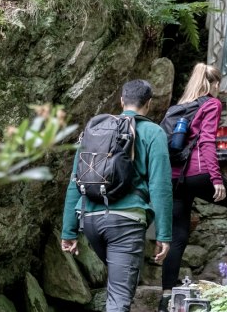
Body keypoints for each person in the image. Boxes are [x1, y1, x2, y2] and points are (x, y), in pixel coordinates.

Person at [158, 63, 227, 312]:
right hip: (199, 172)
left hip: (175, 177)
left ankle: (166, 299)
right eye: (218, 83)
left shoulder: (177, 108)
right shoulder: (211, 104)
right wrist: (216, 178)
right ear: (212, 84)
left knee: (178, 235)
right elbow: (207, 141)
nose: (219, 88)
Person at [61, 80, 173, 312]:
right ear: (149, 104)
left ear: (122, 101)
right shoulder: (153, 133)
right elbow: (160, 186)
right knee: (119, 300)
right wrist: (164, 234)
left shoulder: (96, 130)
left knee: (119, 289)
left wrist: (68, 230)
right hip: (125, 224)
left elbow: (75, 181)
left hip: (91, 221)